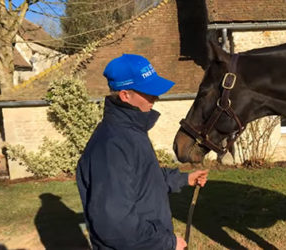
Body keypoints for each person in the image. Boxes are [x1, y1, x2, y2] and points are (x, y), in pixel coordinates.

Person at [76, 54, 209, 250]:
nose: (155, 97)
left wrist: (184, 179)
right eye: (148, 91)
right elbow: (114, 223)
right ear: (125, 95)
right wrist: (167, 243)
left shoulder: (131, 131)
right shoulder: (111, 146)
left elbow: (145, 179)